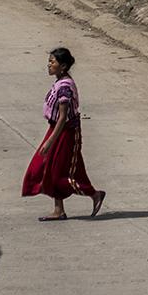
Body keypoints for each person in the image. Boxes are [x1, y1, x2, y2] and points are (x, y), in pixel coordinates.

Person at [21, 47, 105, 221]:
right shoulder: (60, 81)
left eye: (53, 62)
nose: (49, 65)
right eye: (49, 61)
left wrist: (50, 141)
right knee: (49, 167)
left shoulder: (65, 87)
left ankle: (93, 194)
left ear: (63, 66)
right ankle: (59, 209)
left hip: (66, 132)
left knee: (59, 173)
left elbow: (63, 117)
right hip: (56, 130)